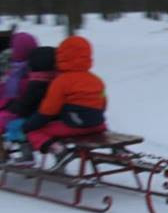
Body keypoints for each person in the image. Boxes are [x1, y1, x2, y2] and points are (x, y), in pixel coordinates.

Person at [17, 36, 107, 169]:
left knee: (33, 131)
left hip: (74, 127)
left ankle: (59, 151)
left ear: (62, 55)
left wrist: (30, 124)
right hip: (98, 125)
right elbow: (103, 103)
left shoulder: (61, 81)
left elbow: (48, 110)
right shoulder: (96, 80)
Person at [1, 46, 57, 163]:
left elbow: (26, 105)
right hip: (53, 117)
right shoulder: (56, 79)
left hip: (38, 117)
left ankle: (27, 155)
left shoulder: (35, 83)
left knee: (16, 126)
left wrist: (14, 107)